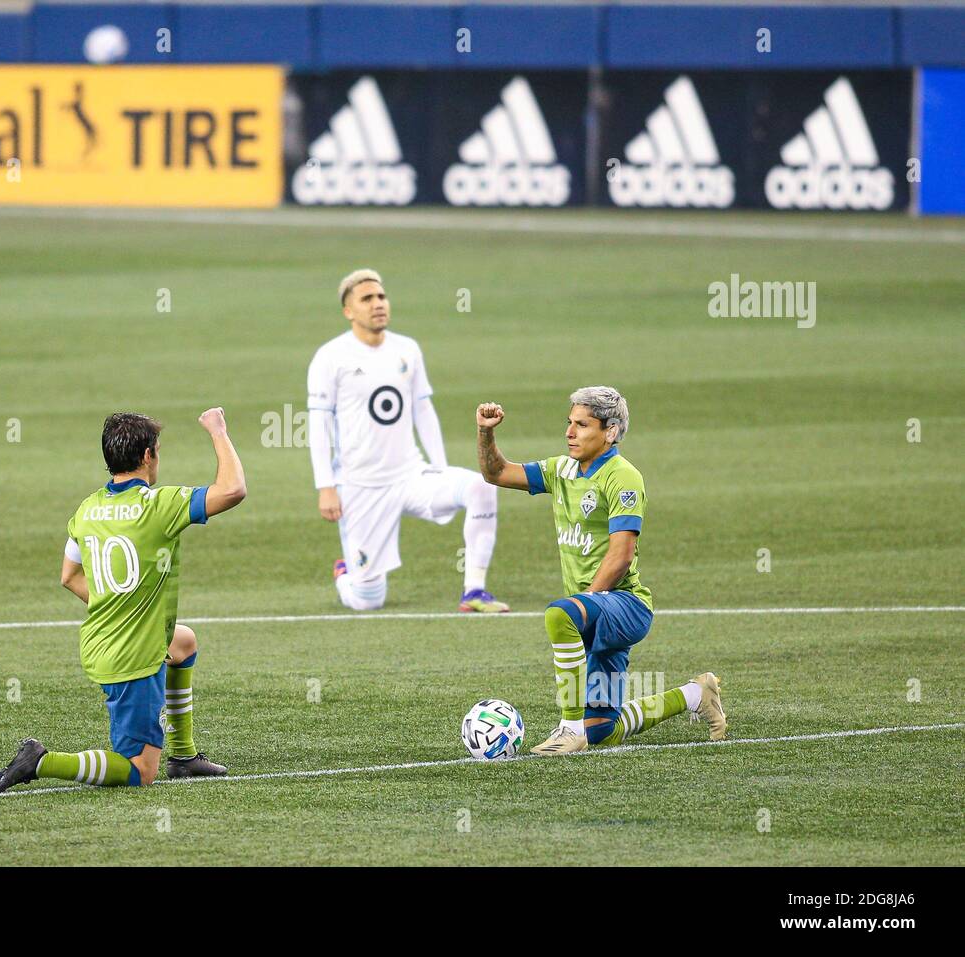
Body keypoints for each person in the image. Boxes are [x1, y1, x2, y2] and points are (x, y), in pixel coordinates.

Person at [0, 408, 244, 791]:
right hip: (131, 657)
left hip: (100, 640)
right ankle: (41, 761)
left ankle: (184, 756)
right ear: (147, 456)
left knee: (184, 643)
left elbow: (68, 576)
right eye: (157, 449)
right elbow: (233, 489)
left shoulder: (87, 509)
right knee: (139, 770)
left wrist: (116, 605)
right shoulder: (159, 505)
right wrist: (218, 431)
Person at [473, 388, 727, 755]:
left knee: (560, 614)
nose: (570, 433)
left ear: (611, 431)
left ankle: (569, 729)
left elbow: (621, 555)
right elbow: (495, 472)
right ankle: (695, 694)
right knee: (603, 730)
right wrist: (486, 431)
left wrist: (586, 605)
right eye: (569, 423)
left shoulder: (623, 477)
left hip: (624, 605)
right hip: (595, 612)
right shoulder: (560, 470)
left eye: (582, 425)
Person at [307, 268, 508, 612]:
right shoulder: (330, 357)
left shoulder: (407, 349)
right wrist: (326, 485)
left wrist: (440, 467)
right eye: (367, 299)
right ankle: (346, 575)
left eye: (382, 296)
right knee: (368, 600)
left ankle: (474, 591)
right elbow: (319, 424)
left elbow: (423, 410)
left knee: (481, 487)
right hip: (360, 486)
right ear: (349, 311)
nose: (378, 304)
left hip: (410, 475)